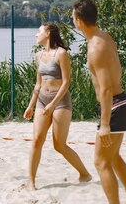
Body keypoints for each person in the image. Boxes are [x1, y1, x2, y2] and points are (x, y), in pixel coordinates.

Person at [72, 0, 126, 204]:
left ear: (79, 20)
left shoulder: (96, 48)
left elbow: (105, 88)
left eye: (73, 17)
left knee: (101, 163)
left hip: (113, 107)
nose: (72, 20)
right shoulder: (104, 36)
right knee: (112, 157)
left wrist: (104, 124)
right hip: (121, 103)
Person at [23, 23, 92, 190]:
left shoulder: (61, 54)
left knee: (59, 145)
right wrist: (31, 106)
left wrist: (53, 105)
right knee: (37, 140)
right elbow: (38, 84)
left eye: (39, 31)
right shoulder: (38, 55)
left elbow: (66, 83)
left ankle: (85, 174)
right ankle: (31, 181)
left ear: (47, 33)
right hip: (42, 101)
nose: (36, 35)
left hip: (60, 102)